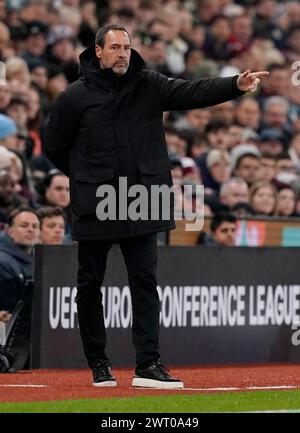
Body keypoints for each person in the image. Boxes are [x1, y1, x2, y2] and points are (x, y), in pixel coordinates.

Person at [44, 23, 269, 389]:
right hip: (97, 202)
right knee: (89, 283)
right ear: (97, 52)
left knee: (145, 283)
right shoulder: (74, 96)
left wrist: (234, 85)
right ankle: (99, 364)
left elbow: (191, 91)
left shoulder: (148, 84)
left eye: (127, 47)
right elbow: (55, 145)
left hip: (143, 200)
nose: (123, 53)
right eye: (115, 47)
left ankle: (148, 364)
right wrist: (86, 178)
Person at [0, 206, 40, 318]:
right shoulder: (3, 262)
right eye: (24, 225)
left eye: (35, 226)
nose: (31, 229)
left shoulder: (40, 259)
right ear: (10, 231)